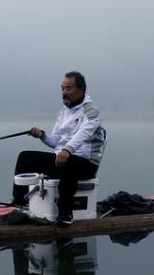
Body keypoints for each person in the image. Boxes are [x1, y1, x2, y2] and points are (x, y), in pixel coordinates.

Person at [13, 71, 106, 226]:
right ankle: (18, 205)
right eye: (62, 89)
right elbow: (55, 141)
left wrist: (67, 150)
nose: (64, 93)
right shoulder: (63, 112)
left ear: (81, 89)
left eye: (68, 88)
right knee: (25, 157)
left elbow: (83, 134)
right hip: (62, 158)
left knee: (68, 162)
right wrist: (42, 135)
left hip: (86, 164)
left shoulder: (91, 111)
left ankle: (65, 214)